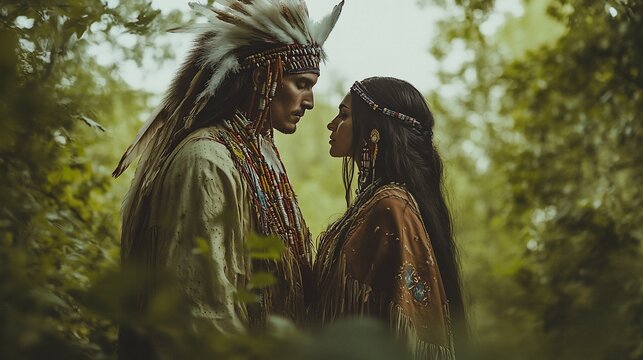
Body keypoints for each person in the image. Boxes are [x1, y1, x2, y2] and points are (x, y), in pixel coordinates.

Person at [111, 0, 343, 358]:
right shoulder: (205, 161)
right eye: (301, 83)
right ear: (261, 77)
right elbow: (199, 310)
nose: (310, 101)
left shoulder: (257, 158)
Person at [313, 77, 466, 359]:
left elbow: (408, 326)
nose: (331, 124)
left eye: (344, 115)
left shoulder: (391, 207)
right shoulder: (374, 203)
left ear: (374, 130)